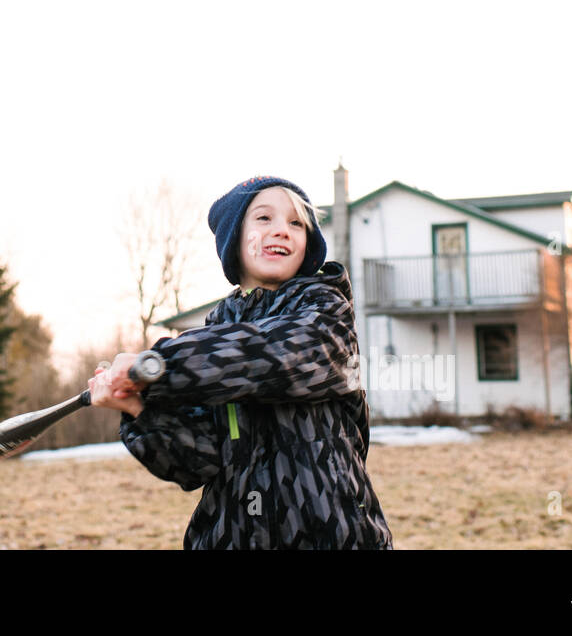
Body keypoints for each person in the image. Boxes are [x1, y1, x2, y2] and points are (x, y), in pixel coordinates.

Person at [89, 175, 394, 549]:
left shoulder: (325, 311)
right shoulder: (216, 331)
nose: (282, 230)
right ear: (234, 239)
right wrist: (137, 406)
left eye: (296, 223)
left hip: (331, 535)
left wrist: (157, 365)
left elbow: (270, 355)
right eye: (264, 219)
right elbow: (196, 461)